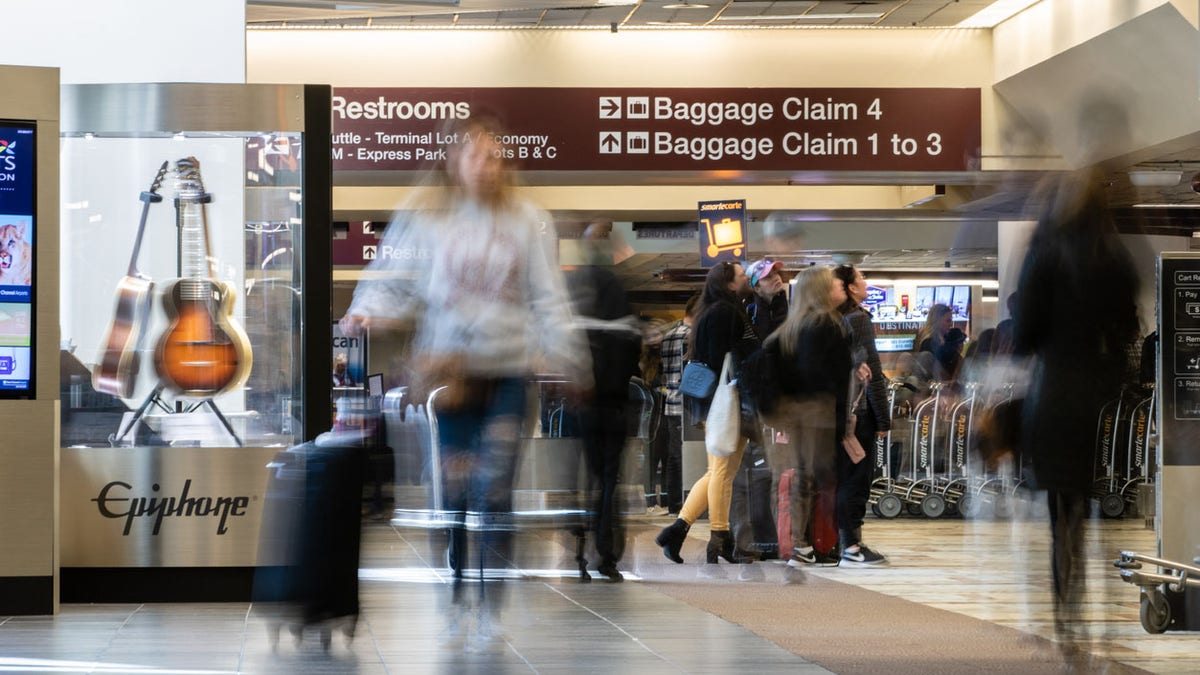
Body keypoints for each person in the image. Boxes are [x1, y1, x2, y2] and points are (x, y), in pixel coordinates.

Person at [339, 114, 589, 646]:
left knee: (494, 489)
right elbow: (394, 274)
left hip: (506, 373)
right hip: (451, 373)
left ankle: (490, 607)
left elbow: (548, 296)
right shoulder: (429, 217)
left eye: (494, 155)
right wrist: (364, 309)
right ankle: (457, 595)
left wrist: (570, 357)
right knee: (452, 489)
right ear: (455, 162)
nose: (485, 164)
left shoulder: (527, 220)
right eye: (474, 154)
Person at [1012, 168, 1139, 649]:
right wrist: (1111, 381)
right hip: (1094, 397)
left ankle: (1068, 613)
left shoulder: (1044, 257)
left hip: (1052, 394)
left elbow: (1025, 334)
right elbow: (1127, 330)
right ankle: (1095, 608)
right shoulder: (1112, 258)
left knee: (1060, 511)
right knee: (1085, 502)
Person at [655, 261, 759, 567]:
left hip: (719, 404)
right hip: (727, 403)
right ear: (729, 284)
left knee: (717, 472)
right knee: (723, 473)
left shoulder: (714, 310)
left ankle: (677, 530)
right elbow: (722, 359)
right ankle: (718, 538)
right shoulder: (724, 312)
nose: (747, 278)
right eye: (742, 276)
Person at [761, 266, 852, 571]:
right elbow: (837, 379)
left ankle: (795, 542)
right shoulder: (829, 325)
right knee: (814, 479)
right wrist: (840, 421)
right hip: (817, 413)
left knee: (792, 478)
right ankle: (812, 543)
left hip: (788, 414)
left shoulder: (787, 329)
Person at [568, 223, 642, 582]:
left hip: (582, 401)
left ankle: (580, 548)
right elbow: (631, 345)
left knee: (587, 475)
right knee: (610, 479)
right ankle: (606, 554)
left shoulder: (574, 286)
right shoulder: (617, 287)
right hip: (613, 401)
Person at [832, 264, 890, 566]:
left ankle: (843, 542)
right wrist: (883, 418)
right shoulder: (858, 319)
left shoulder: (833, 318)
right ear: (851, 288)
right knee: (857, 477)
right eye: (861, 278)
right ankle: (852, 546)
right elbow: (874, 372)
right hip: (860, 413)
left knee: (842, 476)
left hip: (837, 410)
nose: (865, 281)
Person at [658, 294, 698, 516]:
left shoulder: (669, 335)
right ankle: (687, 503)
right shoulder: (691, 337)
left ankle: (674, 503)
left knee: (674, 456)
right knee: (686, 455)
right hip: (687, 403)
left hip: (671, 401)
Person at [745, 258, 788, 339]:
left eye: (776, 273)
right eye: (768, 277)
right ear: (757, 288)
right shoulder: (750, 312)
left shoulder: (792, 305)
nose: (776, 278)